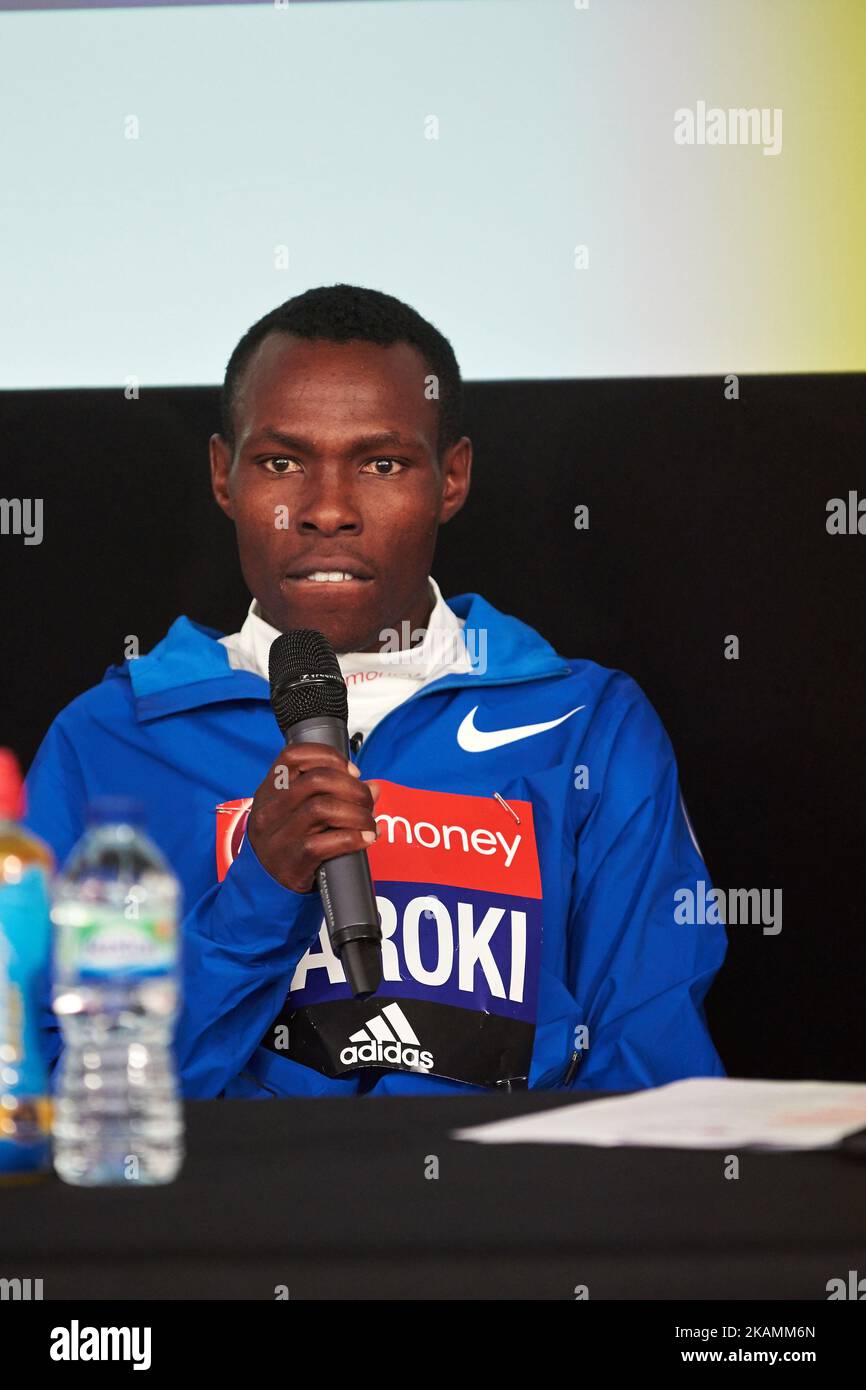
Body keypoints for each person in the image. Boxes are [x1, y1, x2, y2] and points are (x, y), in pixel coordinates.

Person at [23, 283, 727, 1098]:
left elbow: (653, 1074)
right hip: (224, 1223)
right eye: (282, 462)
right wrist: (258, 894)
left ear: (451, 478)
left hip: (504, 1219)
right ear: (224, 477)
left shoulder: (588, 726)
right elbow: (59, 1096)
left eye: (381, 463)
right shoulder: (110, 738)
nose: (326, 511)